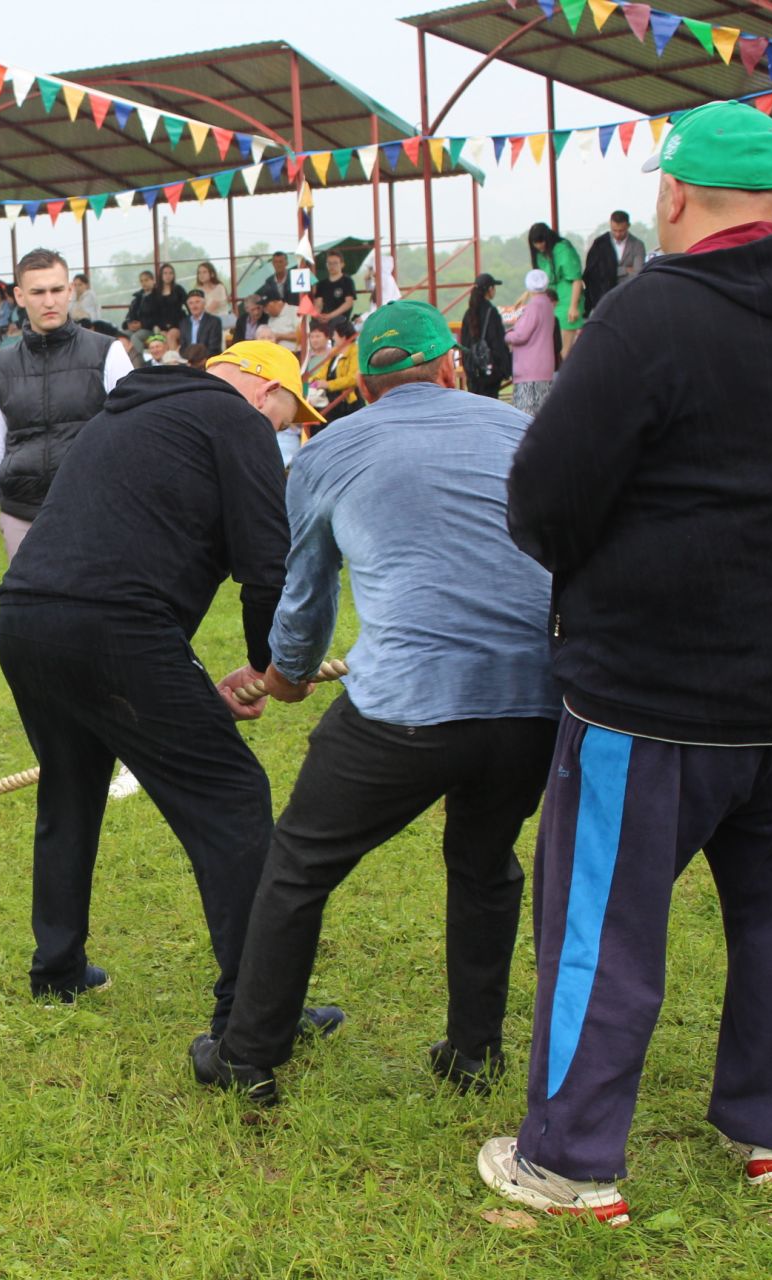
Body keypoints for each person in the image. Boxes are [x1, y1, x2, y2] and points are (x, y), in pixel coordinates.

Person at [478, 101, 772, 1224]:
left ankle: (567, 1159)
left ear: (671, 196)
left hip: (655, 693)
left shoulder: (650, 311)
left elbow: (546, 495)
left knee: (599, 928)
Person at [192, 301, 558, 1106]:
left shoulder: (332, 449)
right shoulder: (525, 432)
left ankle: (247, 1058)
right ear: (453, 367)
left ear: (360, 382)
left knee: (298, 865)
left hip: (406, 705)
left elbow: (304, 598)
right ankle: (473, 1054)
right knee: (485, 862)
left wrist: (283, 679)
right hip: (534, 699)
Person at [0, 339, 324, 1023]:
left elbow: (124, 544)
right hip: (114, 626)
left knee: (70, 789)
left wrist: (189, 679)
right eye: (291, 416)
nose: (287, 433)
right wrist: (274, 667)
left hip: (26, 616)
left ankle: (57, 968)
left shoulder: (120, 417)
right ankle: (258, 1010)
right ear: (266, 389)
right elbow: (268, 564)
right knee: (232, 796)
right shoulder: (237, 420)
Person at [0, 248, 137, 577]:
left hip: (95, 514)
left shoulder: (109, 353)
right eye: (38, 292)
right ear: (19, 296)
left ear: (70, 291)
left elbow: (136, 440)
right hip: (22, 515)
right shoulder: (0, 366)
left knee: (96, 618)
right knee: (34, 620)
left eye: (57, 290)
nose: (49, 301)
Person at [527, 222, 586, 356]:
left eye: (541, 242)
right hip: (550, 299)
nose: (539, 246)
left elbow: (576, 279)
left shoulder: (563, 249)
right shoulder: (538, 254)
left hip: (568, 298)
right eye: (536, 243)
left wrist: (574, 306)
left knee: (564, 351)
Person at [505, 270, 558, 416]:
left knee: (525, 417)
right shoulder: (547, 304)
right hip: (545, 369)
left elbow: (521, 335)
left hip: (529, 371)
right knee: (543, 416)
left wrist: (507, 335)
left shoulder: (534, 306)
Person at [460, 273, 512, 399]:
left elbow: (464, 344)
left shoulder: (468, 313)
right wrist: (504, 368)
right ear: (489, 290)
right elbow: (498, 343)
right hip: (490, 371)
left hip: (473, 371)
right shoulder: (491, 312)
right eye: (494, 287)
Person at [583, 211, 646, 313]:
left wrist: (610, 271)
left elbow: (637, 272)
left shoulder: (637, 245)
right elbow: (595, 273)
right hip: (603, 298)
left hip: (628, 296)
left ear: (628, 226)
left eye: (621, 231)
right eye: (614, 230)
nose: (617, 234)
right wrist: (625, 269)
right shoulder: (600, 244)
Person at [311, 251, 358, 336]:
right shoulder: (322, 284)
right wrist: (318, 315)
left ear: (342, 264)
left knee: (336, 322)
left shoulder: (347, 281)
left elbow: (349, 303)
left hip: (340, 320)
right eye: (329, 263)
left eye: (335, 263)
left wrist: (330, 316)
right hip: (324, 318)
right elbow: (318, 303)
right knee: (312, 323)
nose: (332, 266)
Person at [123, 270, 158, 335]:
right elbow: (129, 315)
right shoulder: (137, 299)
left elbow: (158, 317)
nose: (143, 283)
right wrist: (129, 324)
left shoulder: (158, 297)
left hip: (150, 329)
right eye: (141, 281)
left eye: (146, 280)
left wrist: (141, 325)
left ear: (153, 280)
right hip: (136, 329)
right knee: (121, 336)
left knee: (136, 337)